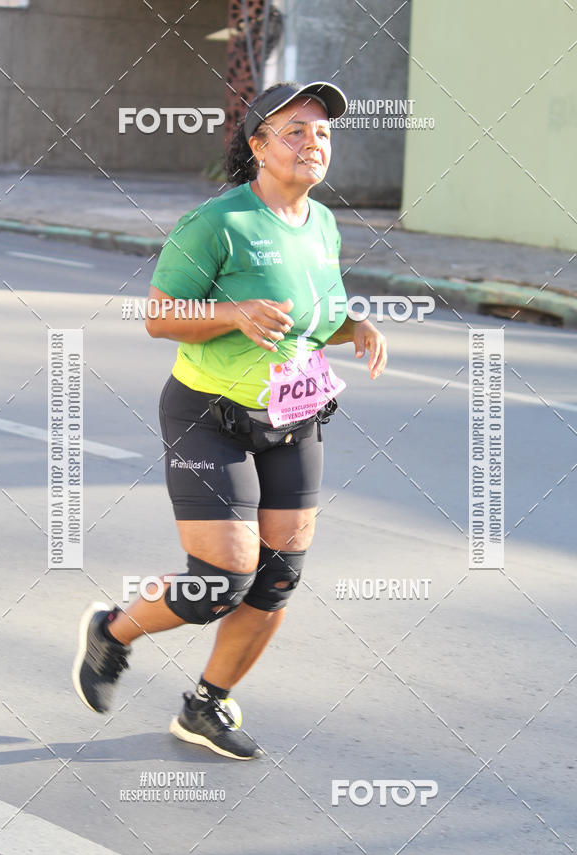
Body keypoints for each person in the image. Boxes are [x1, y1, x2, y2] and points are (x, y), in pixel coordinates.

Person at [72, 80, 387, 760]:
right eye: (293, 131)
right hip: (207, 416)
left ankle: (205, 705)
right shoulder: (218, 223)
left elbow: (312, 316)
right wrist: (232, 313)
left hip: (293, 415)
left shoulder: (323, 223)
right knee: (222, 579)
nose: (311, 143)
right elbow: (158, 317)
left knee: (278, 576)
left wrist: (351, 325)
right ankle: (113, 631)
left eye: (322, 133)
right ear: (257, 147)